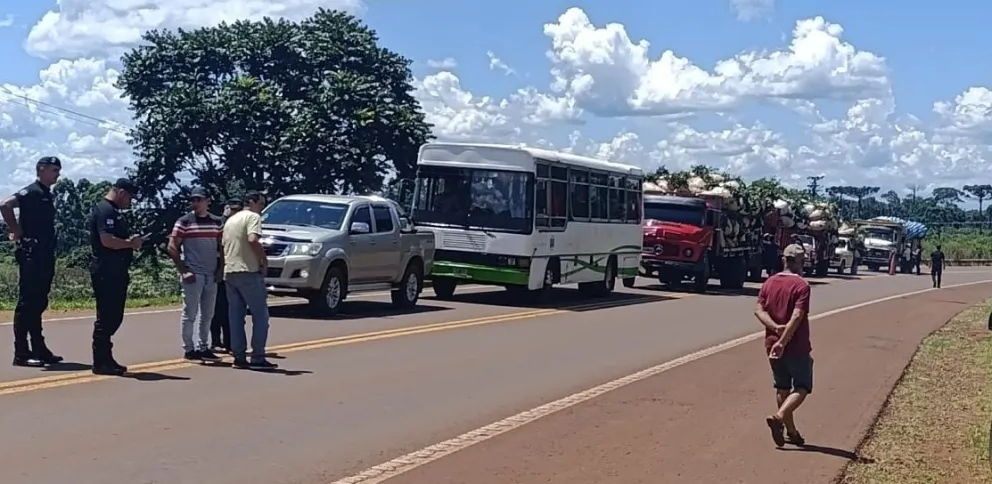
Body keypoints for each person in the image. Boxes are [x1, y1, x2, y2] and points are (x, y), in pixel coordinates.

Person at [0, 156, 65, 367]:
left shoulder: (46, 194)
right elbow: (5, 205)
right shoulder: (32, 191)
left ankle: (39, 347)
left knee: (39, 302)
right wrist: (16, 230)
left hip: (44, 254)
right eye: (54, 170)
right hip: (32, 254)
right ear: (42, 170)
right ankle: (21, 352)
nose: (58, 174)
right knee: (27, 303)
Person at [754, 243, 813, 447]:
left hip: (771, 343)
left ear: (783, 260)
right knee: (803, 386)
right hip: (795, 345)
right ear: (800, 262)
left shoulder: (769, 282)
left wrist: (776, 329)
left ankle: (791, 432)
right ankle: (779, 418)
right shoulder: (802, 286)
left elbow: (759, 310)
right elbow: (797, 316)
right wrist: (783, 339)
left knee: (782, 387)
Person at [88, 178, 144, 376]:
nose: (130, 202)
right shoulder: (105, 210)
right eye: (129, 197)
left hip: (116, 271)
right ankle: (101, 361)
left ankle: (106, 358)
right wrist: (130, 244)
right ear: (121, 192)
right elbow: (107, 240)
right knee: (106, 316)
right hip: (106, 271)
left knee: (114, 316)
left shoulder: (114, 211)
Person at [168, 187, 224, 363]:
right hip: (194, 273)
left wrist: (220, 269)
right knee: (190, 313)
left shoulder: (217, 222)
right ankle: (189, 348)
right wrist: (184, 270)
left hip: (211, 274)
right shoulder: (185, 221)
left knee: (208, 314)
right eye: (193, 200)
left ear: (208, 201)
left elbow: (222, 247)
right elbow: (172, 246)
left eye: (199, 199)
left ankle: (204, 346)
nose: (195, 203)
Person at [222, 191, 277, 370]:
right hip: (248, 271)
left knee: (236, 317)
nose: (261, 209)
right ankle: (257, 357)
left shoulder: (231, 220)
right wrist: (263, 260)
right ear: (252, 202)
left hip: (230, 271)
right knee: (260, 316)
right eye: (261, 205)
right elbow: (253, 239)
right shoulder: (252, 217)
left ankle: (239, 357)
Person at [210, 198, 243, 353]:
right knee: (216, 308)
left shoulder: (240, 226)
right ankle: (216, 341)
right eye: (232, 209)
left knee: (230, 308)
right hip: (216, 268)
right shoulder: (218, 224)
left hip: (233, 269)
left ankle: (230, 343)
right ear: (226, 208)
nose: (234, 212)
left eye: (238, 210)